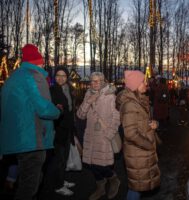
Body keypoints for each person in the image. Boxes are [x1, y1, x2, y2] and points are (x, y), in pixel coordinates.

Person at [0, 44, 60, 200]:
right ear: (38, 62)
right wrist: (57, 111)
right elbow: (44, 108)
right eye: (41, 61)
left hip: (16, 139)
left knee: (28, 180)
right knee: (29, 187)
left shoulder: (13, 77)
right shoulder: (35, 75)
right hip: (31, 139)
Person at [116, 70, 160, 200]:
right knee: (136, 188)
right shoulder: (130, 105)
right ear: (135, 85)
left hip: (139, 152)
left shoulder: (138, 100)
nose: (146, 83)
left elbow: (140, 123)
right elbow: (131, 133)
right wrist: (149, 144)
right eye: (143, 81)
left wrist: (153, 124)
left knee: (136, 187)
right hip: (137, 152)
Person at [77, 72, 120, 200]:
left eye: (97, 81)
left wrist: (109, 134)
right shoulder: (88, 94)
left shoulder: (110, 96)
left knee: (103, 165)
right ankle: (100, 188)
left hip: (103, 137)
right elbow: (80, 115)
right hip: (90, 136)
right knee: (92, 165)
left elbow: (117, 118)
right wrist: (88, 102)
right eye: (92, 81)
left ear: (103, 81)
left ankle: (114, 180)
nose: (94, 83)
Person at [50, 66, 76, 196]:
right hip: (58, 130)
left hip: (67, 129)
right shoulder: (52, 90)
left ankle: (61, 179)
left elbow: (71, 111)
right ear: (55, 78)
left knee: (64, 158)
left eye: (63, 76)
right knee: (59, 160)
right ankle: (58, 186)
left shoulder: (69, 89)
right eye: (58, 76)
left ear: (67, 77)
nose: (60, 78)